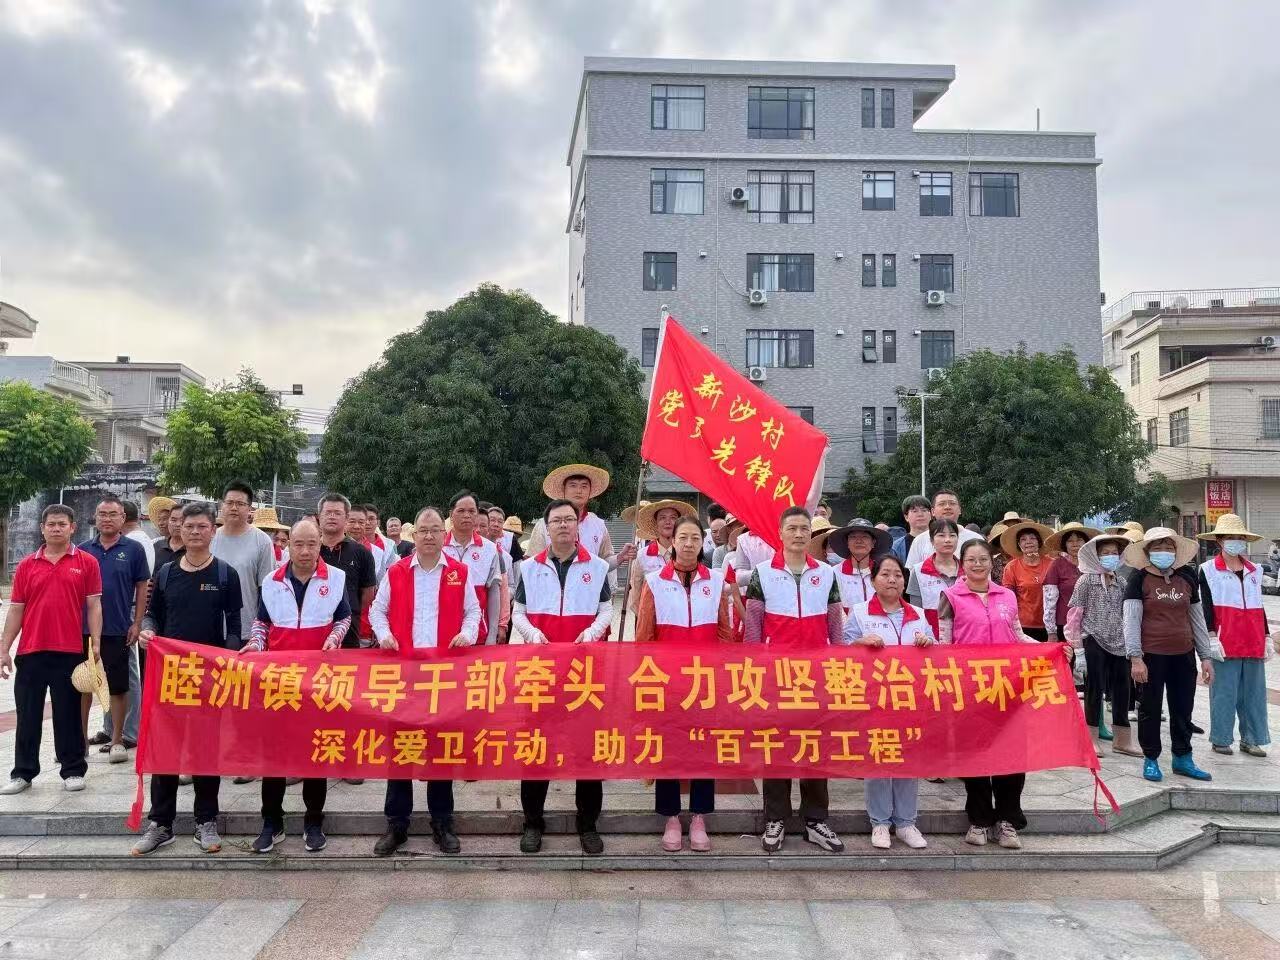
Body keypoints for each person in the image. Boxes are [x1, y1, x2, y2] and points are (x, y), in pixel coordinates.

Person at [368, 506, 480, 857]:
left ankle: (442, 822)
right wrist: (384, 634)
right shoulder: (397, 571)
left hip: (443, 677)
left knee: (440, 749)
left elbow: (473, 611)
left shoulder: (459, 572)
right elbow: (376, 610)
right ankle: (396, 824)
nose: (429, 536)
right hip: (403, 675)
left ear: (444, 535)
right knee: (400, 748)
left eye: (435, 530)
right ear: (412, 535)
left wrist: (467, 633)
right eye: (423, 530)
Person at [132, 502, 243, 855]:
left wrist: (227, 660)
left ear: (213, 531)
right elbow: (152, 615)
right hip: (170, 678)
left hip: (209, 681)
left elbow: (234, 628)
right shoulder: (165, 573)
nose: (194, 532)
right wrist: (148, 631)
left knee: (205, 753)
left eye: (201, 526)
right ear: (179, 529)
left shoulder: (225, 574)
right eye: (188, 526)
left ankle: (205, 821)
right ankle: (160, 824)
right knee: (165, 751)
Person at [240, 518, 351, 853]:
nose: (305, 551)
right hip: (280, 681)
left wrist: (334, 639)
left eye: (311, 544)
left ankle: (314, 822)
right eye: (298, 544)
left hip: (319, 681)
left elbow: (344, 617)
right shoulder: (271, 581)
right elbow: (261, 623)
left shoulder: (336, 578)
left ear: (320, 545)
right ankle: (271, 822)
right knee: (274, 755)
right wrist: (255, 644)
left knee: (316, 753)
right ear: (288, 545)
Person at [511, 499, 613, 855]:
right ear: (547, 527)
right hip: (541, 670)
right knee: (537, 747)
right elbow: (518, 611)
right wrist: (531, 633)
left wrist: (593, 632)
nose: (564, 525)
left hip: (584, 671)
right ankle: (532, 822)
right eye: (557, 520)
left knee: (587, 748)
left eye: (570, 519)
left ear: (577, 526)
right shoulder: (529, 568)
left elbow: (606, 609)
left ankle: (588, 823)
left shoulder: (597, 567)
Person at [744, 507, 844, 855]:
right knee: (777, 744)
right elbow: (753, 624)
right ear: (781, 533)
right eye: (792, 528)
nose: (799, 534)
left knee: (816, 744)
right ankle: (776, 817)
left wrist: (838, 665)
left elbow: (835, 623)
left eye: (804, 528)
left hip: (816, 674)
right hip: (777, 673)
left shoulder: (826, 573)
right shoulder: (762, 572)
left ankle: (816, 819)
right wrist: (754, 670)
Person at [938, 539, 1046, 850]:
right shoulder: (950, 597)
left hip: (1007, 687)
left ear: (991, 562)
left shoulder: (1007, 596)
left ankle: (1009, 820)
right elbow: (945, 644)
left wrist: (1049, 649)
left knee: (1011, 753)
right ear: (962, 564)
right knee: (974, 756)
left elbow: (1018, 635)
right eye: (971, 559)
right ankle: (979, 819)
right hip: (970, 690)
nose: (977, 564)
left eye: (983, 559)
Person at [635, 515, 731, 852]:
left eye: (695, 538)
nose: (689, 544)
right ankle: (672, 817)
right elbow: (644, 636)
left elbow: (724, 632)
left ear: (702, 543)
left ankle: (700, 816)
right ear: (672, 542)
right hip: (667, 681)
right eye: (683, 538)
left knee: (704, 747)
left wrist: (724, 675)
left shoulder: (715, 581)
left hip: (705, 681)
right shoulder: (654, 582)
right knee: (669, 747)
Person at [0, 506, 101, 796]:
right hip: (31, 651)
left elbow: (94, 605)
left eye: (62, 524)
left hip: (69, 651)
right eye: (51, 524)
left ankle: (72, 770)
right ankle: (23, 773)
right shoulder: (27, 565)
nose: (56, 528)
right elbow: (16, 609)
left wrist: (95, 642)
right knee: (28, 714)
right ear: (42, 528)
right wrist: (4, 649)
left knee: (68, 714)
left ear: (72, 527)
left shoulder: (86, 562)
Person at [841, 554, 934, 850]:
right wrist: (859, 643)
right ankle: (880, 822)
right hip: (875, 699)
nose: (892, 580)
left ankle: (906, 823)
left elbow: (936, 654)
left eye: (897, 575)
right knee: (879, 757)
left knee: (908, 759)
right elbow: (840, 651)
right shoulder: (859, 613)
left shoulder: (919, 615)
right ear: (873, 580)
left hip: (909, 699)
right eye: (885, 574)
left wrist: (928, 643)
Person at [1121, 527, 1215, 783]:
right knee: (1150, 708)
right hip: (1150, 656)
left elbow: (1197, 619)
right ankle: (1151, 758)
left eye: (1168, 547)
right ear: (1147, 551)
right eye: (1157, 547)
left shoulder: (1187, 576)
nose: (1164, 552)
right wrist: (1135, 657)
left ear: (1176, 551)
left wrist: (1206, 657)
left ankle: (1183, 757)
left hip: (1183, 654)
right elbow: (1131, 620)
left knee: (1183, 708)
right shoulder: (1138, 579)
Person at [1197, 515, 1277, 758]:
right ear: (1219, 540)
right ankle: (1221, 738)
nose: (1236, 541)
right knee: (1223, 692)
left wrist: (1266, 636)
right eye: (1230, 537)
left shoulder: (1254, 570)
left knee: (1254, 694)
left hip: (1253, 639)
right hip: (1224, 640)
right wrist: (1211, 637)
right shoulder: (1208, 570)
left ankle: (1251, 739)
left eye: (1240, 537)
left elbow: (1259, 605)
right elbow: (1206, 607)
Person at [79, 495, 149, 764]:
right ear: (95, 518)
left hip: (118, 628)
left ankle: (118, 739)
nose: (107, 519)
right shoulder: (83, 550)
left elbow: (142, 587)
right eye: (102, 514)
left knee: (118, 687)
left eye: (113, 514)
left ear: (123, 518)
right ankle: (80, 741)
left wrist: (137, 622)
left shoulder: (133, 550)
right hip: (84, 629)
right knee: (83, 686)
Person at [1065, 534, 1140, 758]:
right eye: (1105, 553)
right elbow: (1074, 616)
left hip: (1119, 642)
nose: (1110, 557)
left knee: (1123, 690)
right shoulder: (1086, 581)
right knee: (1094, 689)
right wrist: (1078, 649)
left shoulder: (1121, 582)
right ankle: (1091, 739)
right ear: (1096, 557)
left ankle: (1122, 740)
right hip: (1093, 639)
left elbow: (1128, 614)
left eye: (1114, 553)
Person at [526, 464, 637, 570]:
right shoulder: (544, 524)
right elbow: (531, 564)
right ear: (564, 489)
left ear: (590, 491)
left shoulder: (598, 525)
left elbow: (603, 564)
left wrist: (620, 557)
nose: (579, 491)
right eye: (573, 485)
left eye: (584, 486)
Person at [316, 493, 377, 647]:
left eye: (337, 513)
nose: (332, 517)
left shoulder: (362, 553)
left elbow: (368, 596)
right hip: (314, 627)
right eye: (328, 512)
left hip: (349, 630)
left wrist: (348, 609)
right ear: (319, 516)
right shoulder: (310, 551)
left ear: (346, 517)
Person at [442, 491, 502, 645]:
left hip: (478, 632)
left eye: (471, 511)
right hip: (441, 630)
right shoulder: (438, 546)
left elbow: (494, 591)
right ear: (451, 514)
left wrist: (492, 634)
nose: (467, 515)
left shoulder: (489, 549)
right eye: (461, 511)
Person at [629, 500, 697, 609]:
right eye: (662, 518)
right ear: (655, 523)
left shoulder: (689, 553)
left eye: (673, 518)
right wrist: (645, 615)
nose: (668, 522)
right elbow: (636, 594)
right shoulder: (642, 555)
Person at [1042, 523, 1100, 643]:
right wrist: (1051, 631)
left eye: (1079, 540)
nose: (1075, 544)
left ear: (1086, 542)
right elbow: (1049, 599)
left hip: (1093, 624)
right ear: (1065, 544)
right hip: (1065, 624)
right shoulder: (1057, 565)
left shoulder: (1095, 565)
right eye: (1070, 541)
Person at [999, 521, 1055, 642]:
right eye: (1023, 539)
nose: (1028, 542)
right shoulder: (1012, 567)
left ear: (1039, 542)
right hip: (1023, 626)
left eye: (1032, 538)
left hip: (1051, 626)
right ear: (1019, 545)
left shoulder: (1052, 564)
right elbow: (1008, 598)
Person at [907, 518, 961, 637]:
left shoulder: (968, 569)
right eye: (941, 535)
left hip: (964, 635)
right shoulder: (919, 571)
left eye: (952, 535)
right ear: (932, 540)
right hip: (931, 638)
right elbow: (916, 611)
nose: (947, 540)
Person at [828, 518, 892, 613]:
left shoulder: (884, 573)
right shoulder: (833, 573)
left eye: (865, 537)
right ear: (847, 543)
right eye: (853, 537)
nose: (859, 541)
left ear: (873, 543)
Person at [905, 490, 983, 567]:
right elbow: (912, 571)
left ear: (959, 510)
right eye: (941, 504)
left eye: (952, 503)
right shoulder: (920, 540)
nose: (947, 507)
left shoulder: (975, 538)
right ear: (933, 511)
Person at [891, 495, 932, 563]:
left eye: (924, 510)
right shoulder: (897, 547)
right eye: (915, 511)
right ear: (906, 517)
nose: (920, 514)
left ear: (931, 515)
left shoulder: (941, 540)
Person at [153, 501, 186, 572]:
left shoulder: (193, 549)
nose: (178, 524)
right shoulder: (156, 546)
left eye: (182, 520)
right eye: (173, 520)